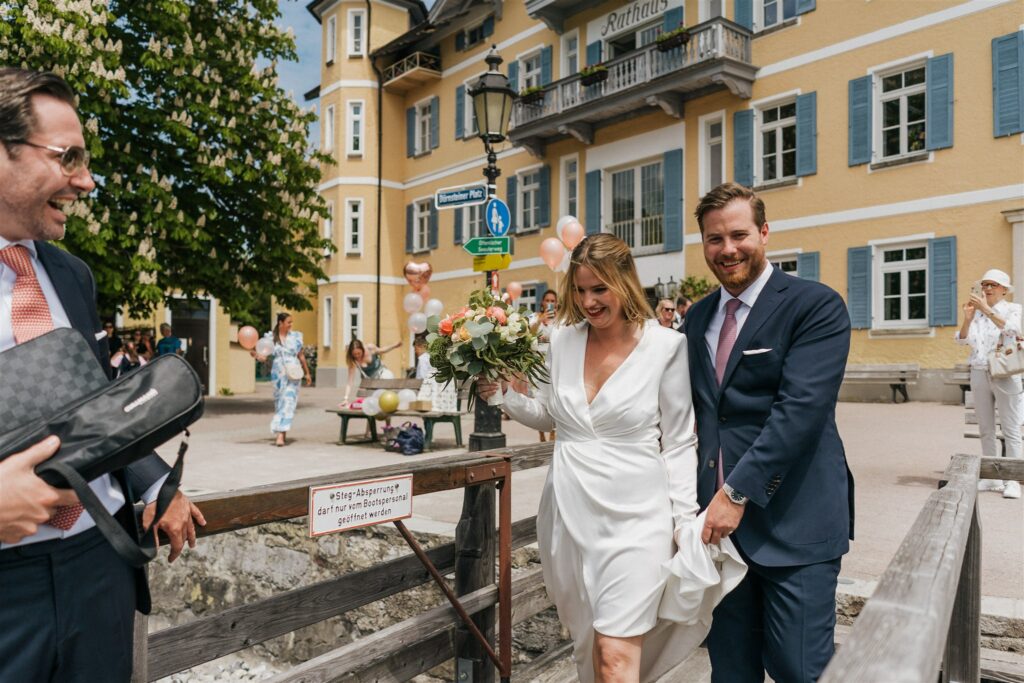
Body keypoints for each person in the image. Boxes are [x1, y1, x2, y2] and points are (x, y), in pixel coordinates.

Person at [0, 67, 205, 682]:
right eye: (69, 158)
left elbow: (90, 404)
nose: (86, 181)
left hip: (100, 569)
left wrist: (154, 484)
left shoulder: (72, 275)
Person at [479, 234, 745, 682]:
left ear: (624, 283)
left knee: (617, 652)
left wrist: (683, 522)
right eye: (580, 290)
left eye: (599, 289)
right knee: (592, 648)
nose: (588, 301)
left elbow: (679, 442)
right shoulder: (560, 340)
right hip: (568, 510)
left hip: (637, 517)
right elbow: (549, 413)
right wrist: (502, 396)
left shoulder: (665, 347)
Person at [683, 183, 854, 683]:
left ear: (764, 232)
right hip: (719, 534)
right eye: (715, 239)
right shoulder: (696, 318)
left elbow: (799, 412)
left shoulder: (815, 305)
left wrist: (736, 492)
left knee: (800, 670)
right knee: (730, 672)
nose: (728, 249)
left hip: (794, 521)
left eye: (739, 234)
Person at [956, 268, 1022, 499]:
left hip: (1006, 372)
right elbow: (964, 340)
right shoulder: (977, 315)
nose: (987, 289)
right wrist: (968, 319)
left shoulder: (1014, 309)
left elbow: (1014, 330)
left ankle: (1013, 480)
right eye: (985, 284)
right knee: (986, 429)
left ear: (1004, 290)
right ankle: (992, 477)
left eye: (993, 285)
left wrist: (986, 309)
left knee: (1011, 429)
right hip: (979, 371)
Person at [252, 312, 311, 447]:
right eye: (288, 322)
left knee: (289, 401)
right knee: (280, 402)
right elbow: (264, 357)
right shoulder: (270, 338)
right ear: (280, 323)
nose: (291, 325)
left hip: (294, 372)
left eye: (291, 322)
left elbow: (301, 356)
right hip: (278, 374)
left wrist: (307, 373)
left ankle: (280, 435)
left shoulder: (296, 337)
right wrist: (256, 355)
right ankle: (281, 431)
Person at [529, 289, 558, 442]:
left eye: (553, 301)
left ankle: (553, 430)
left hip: (553, 363)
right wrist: (541, 320)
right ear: (542, 302)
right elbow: (529, 332)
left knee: (553, 397)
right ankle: (541, 433)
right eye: (547, 300)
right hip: (538, 363)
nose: (550, 303)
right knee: (538, 397)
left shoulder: (560, 320)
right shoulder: (535, 317)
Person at [341, 337, 401, 405]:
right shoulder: (353, 361)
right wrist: (346, 398)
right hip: (370, 382)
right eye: (354, 354)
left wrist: (394, 345)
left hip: (382, 375)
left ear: (362, 349)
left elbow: (382, 350)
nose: (357, 356)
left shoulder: (370, 348)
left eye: (359, 353)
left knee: (386, 383)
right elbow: (350, 381)